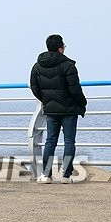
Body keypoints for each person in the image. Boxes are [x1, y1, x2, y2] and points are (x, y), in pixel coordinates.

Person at [30, 34, 87, 183]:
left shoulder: (37, 66)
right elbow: (75, 90)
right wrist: (82, 103)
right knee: (69, 142)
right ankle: (66, 176)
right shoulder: (68, 65)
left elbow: (35, 87)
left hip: (51, 109)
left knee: (50, 141)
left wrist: (47, 100)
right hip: (69, 110)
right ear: (61, 49)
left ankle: (46, 175)